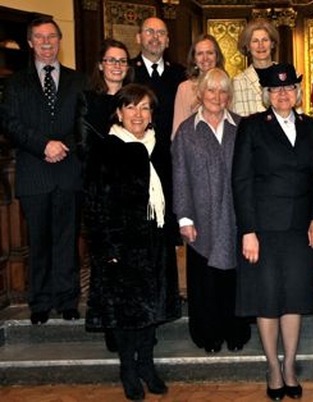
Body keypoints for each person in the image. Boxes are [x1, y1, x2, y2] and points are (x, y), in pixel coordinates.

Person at [232, 63, 313, 401]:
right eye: (276, 89)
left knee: (295, 299)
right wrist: (248, 230)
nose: (283, 94)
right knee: (267, 299)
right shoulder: (253, 127)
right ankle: (273, 367)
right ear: (267, 95)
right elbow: (241, 181)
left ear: (297, 93)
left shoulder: (312, 128)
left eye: (288, 89)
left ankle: (290, 366)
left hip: (301, 229)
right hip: (264, 230)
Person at [84, 84, 181, 401]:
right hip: (122, 246)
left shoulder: (159, 147)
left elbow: (171, 195)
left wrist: (169, 239)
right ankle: (128, 369)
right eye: (131, 107)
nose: (138, 114)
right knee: (127, 314)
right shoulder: (106, 148)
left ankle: (147, 367)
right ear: (119, 112)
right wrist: (106, 248)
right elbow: (94, 202)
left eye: (145, 108)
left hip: (155, 244)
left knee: (151, 311)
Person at [1, 17, 87, 325]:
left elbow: (84, 122)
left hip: (68, 170)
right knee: (38, 242)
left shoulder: (79, 81)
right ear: (30, 43)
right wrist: (43, 145)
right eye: (40, 37)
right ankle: (40, 302)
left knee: (67, 240)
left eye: (52, 37)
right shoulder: (15, 83)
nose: (47, 42)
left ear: (60, 41)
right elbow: (10, 123)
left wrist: (61, 145)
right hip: (34, 171)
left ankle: (67, 300)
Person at [172, 68, 251, 354]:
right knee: (204, 280)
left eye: (222, 91)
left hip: (235, 215)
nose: (217, 97)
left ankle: (236, 331)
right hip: (200, 219)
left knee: (234, 277)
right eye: (211, 90)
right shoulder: (186, 131)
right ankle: (208, 334)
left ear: (229, 96)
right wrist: (184, 217)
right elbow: (179, 175)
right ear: (200, 93)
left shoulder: (242, 127)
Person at [81, 38, 134, 353]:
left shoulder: (135, 98)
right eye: (112, 60)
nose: (117, 66)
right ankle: (112, 329)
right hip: (101, 192)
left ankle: (135, 325)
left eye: (122, 61)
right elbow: (84, 147)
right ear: (101, 65)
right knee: (108, 264)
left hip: (133, 195)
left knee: (132, 266)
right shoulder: (88, 101)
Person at [131, 17, 186, 147]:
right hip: (135, 150)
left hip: (171, 152)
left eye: (161, 33)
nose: (155, 37)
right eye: (149, 31)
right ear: (138, 38)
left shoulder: (181, 74)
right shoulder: (127, 71)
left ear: (167, 41)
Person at [172, 34, 225, 138]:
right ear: (194, 59)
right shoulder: (184, 88)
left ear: (217, 56)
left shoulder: (227, 86)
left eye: (210, 53)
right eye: (200, 54)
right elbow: (178, 132)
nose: (205, 58)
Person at [231, 18, 279, 116]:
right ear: (248, 46)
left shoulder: (288, 74)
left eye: (265, 40)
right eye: (255, 41)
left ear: (272, 44)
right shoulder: (238, 81)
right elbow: (241, 120)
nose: (260, 45)